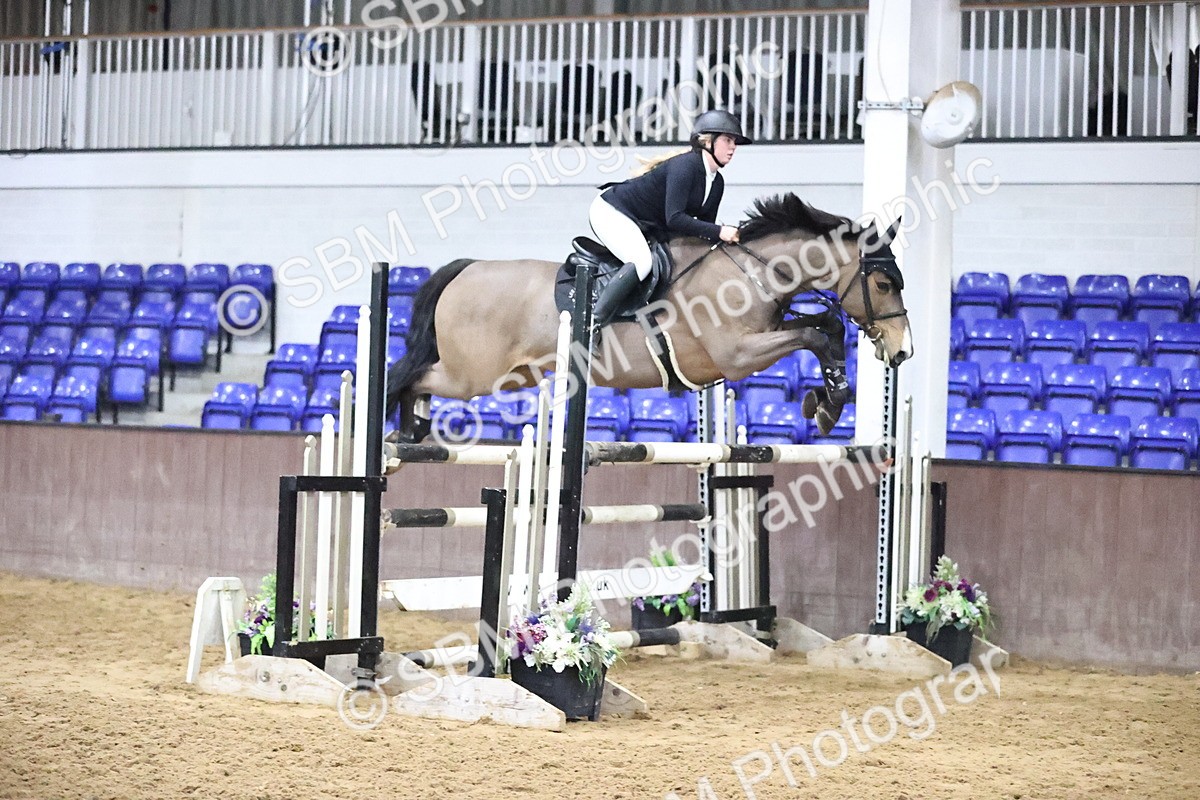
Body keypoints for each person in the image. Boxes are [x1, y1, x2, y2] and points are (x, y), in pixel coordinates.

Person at [587, 108, 752, 329]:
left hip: (643, 223)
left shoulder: (716, 183)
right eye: (728, 140)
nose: (733, 148)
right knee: (642, 262)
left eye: (735, 143)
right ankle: (591, 323)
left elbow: (701, 231)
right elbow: (675, 219)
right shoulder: (685, 167)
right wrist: (721, 231)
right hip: (612, 212)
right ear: (707, 141)